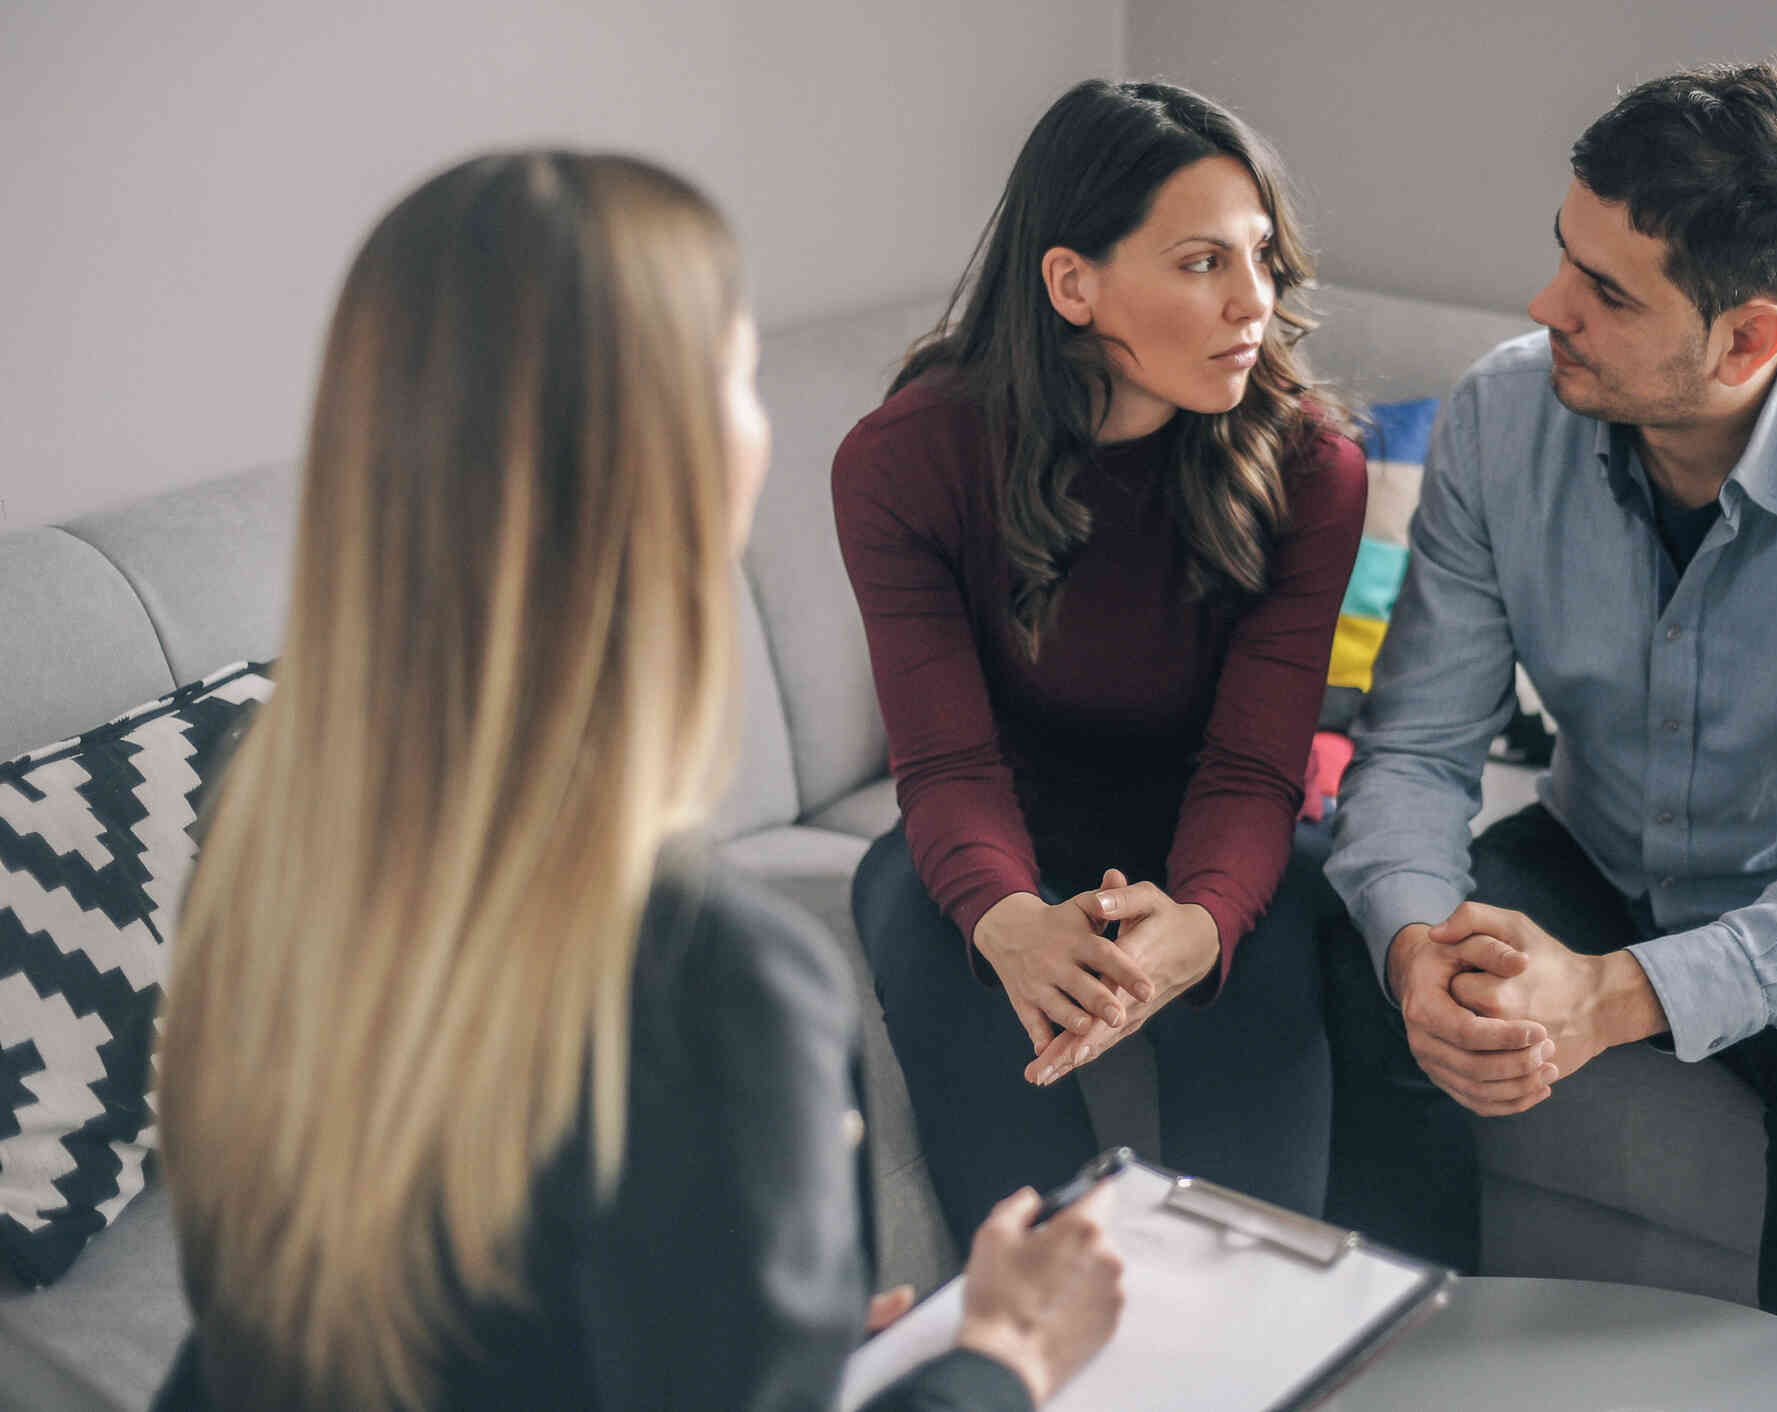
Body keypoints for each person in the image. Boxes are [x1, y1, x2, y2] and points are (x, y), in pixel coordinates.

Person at [152, 151, 1123, 1411]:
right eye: (738, 368)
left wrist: (763, 1346)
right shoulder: (713, 990)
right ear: (664, 461)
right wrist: (1003, 1356)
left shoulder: (256, 816)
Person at [1323, 54, 1777, 1410]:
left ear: (1749, 338)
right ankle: (1400, 1382)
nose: (1546, 309)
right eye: (1561, 261)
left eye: (1605, 292)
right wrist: (1417, 950)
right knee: (1349, 932)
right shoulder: (1498, 413)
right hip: (1597, 853)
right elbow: (1415, 754)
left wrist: (1609, 996)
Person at [834, 79, 1365, 1249]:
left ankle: (1251, 1332)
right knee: (913, 913)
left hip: (1216, 820)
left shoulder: (1311, 469)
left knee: (1264, 949)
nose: (1252, 302)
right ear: (1072, 283)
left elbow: (1249, 765)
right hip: (1010, 817)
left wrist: (1202, 921)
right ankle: (1054, 1321)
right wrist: (1010, 915)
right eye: (1198, 263)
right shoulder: (905, 461)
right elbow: (946, 757)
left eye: (1261, 256)